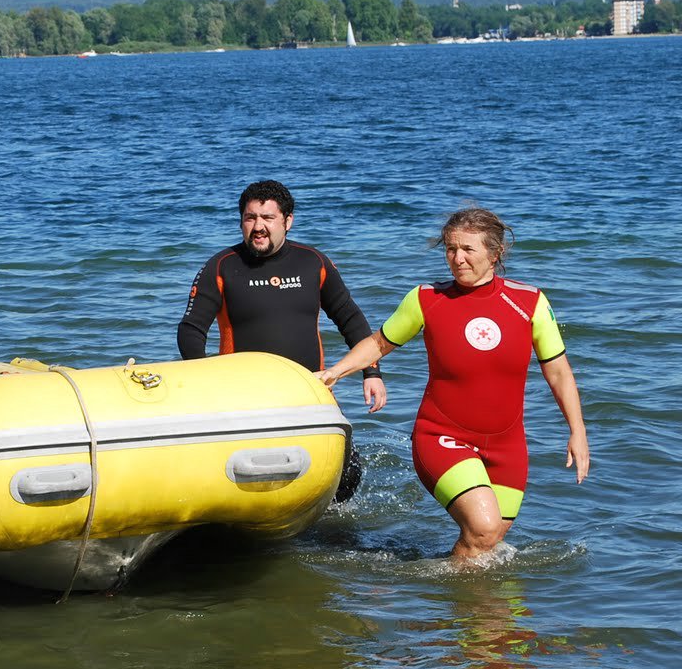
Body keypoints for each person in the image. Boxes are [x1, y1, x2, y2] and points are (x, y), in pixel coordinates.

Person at [318, 207, 589, 562]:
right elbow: (379, 343)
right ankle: (446, 601)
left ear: (496, 253)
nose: (457, 258)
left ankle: (454, 609)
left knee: (483, 545)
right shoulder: (426, 299)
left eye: (467, 249)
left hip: (508, 447)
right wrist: (335, 372)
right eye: (450, 249)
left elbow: (558, 372)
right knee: (483, 528)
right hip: (442, 436)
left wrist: (577, 430)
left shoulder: (530, 302)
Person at [177, 180, 384, 499]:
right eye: (250, 218)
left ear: (288, 221)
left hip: (310, 390)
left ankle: (329, 530)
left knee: (348, 474)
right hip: (243, 398)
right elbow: (192, 329)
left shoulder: (313, 263)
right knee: (251, 476)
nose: (258, 227)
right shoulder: (221, 266)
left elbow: (350, 318)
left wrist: (371, 373)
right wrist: (204, 381)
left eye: (267, 218)